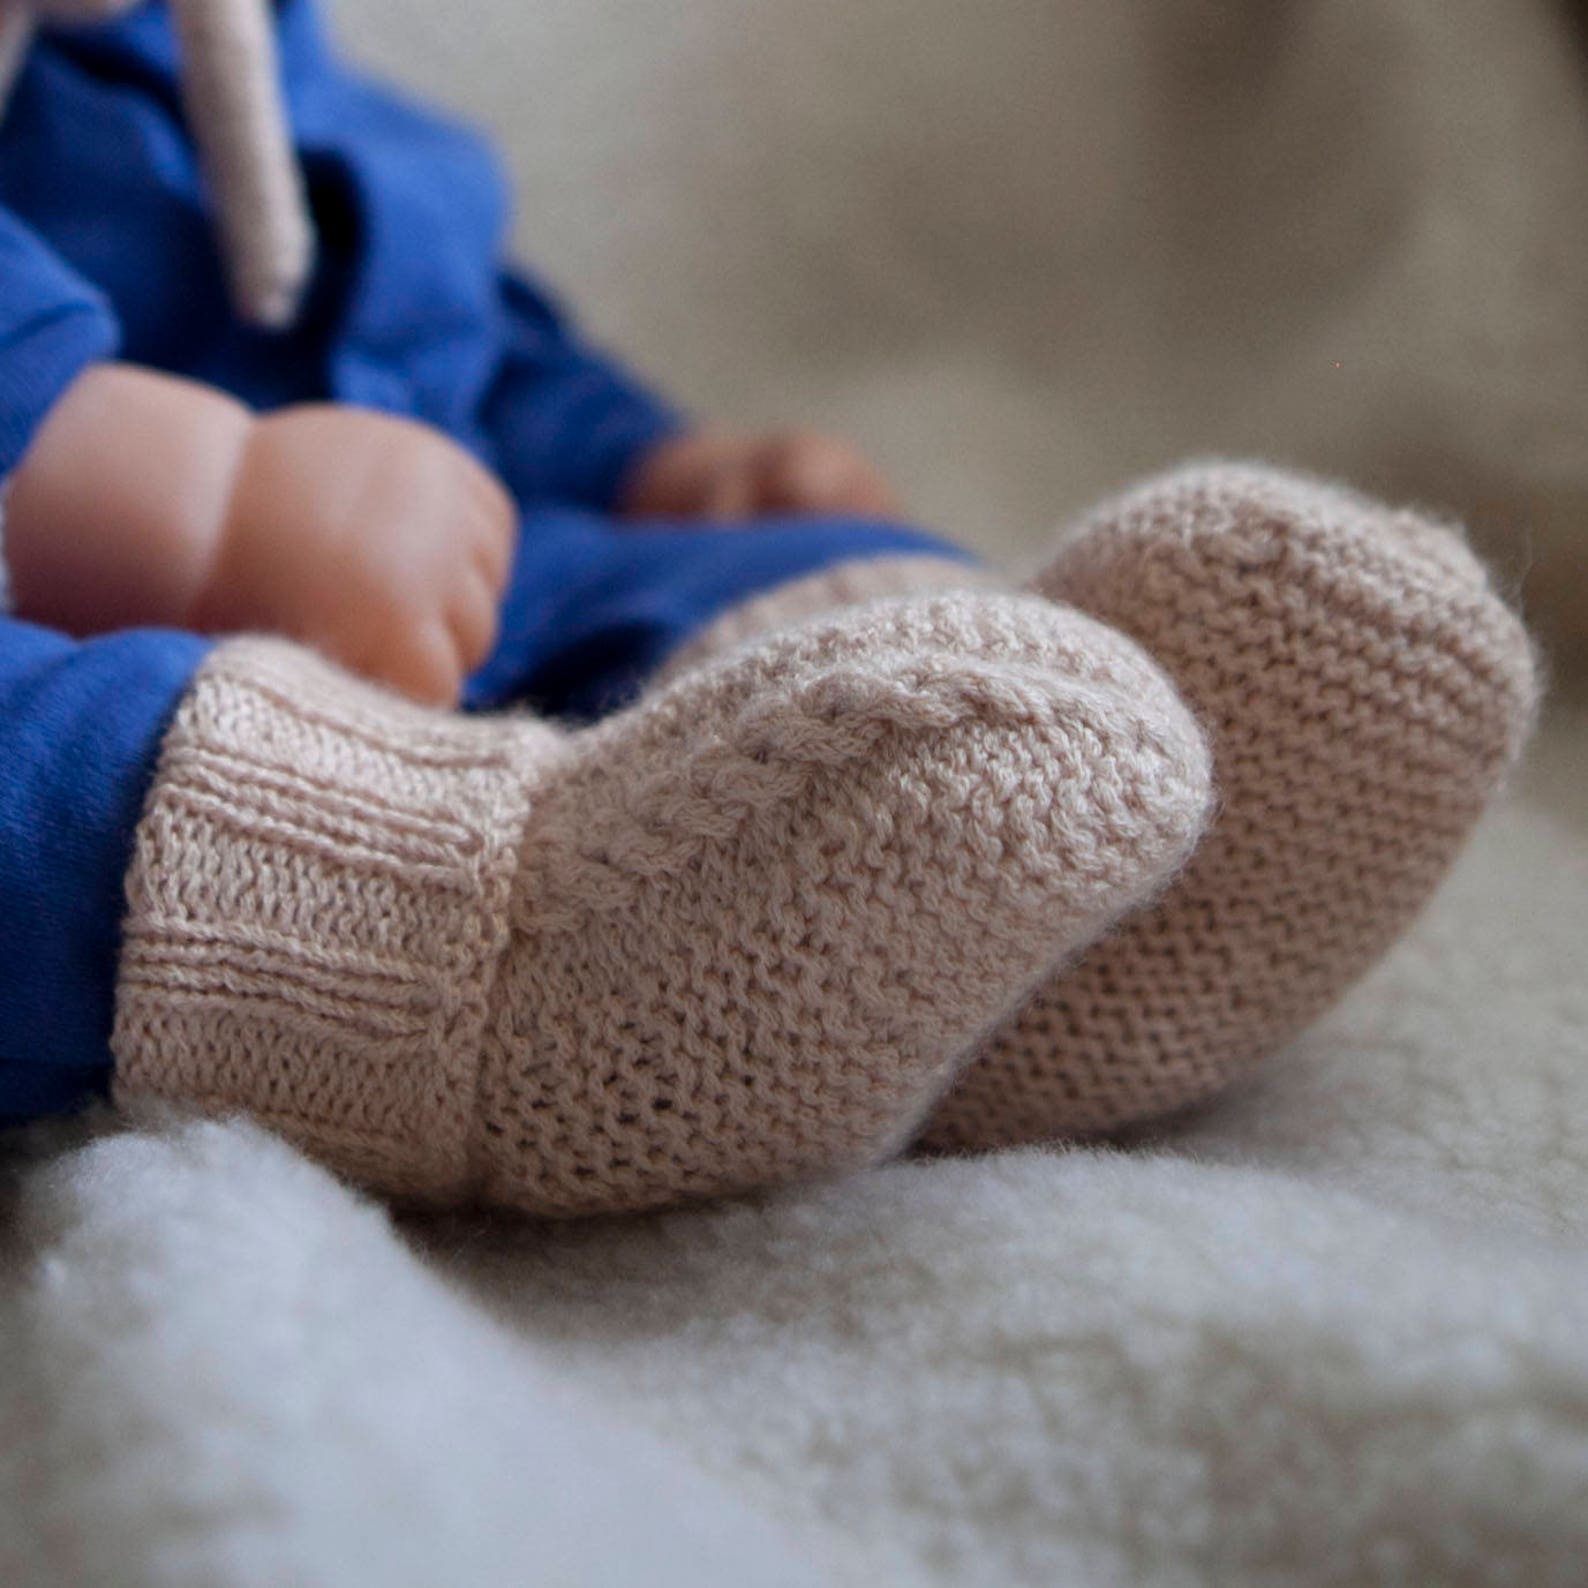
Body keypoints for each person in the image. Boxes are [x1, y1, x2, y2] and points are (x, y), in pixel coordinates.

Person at [0, 0, 1538, 1214]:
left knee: (703, 585)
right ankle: (486, 962)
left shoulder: (245, 54)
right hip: (94, 650)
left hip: (428, 568)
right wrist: (172, 495)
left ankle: (1001, 856)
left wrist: (662, 467)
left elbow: (453, 329)